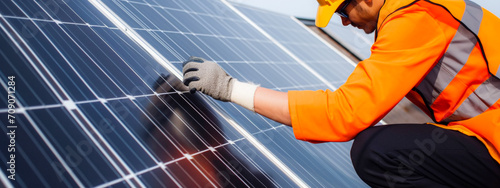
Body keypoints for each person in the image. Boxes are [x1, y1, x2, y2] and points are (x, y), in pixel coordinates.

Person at [182, 0, 500, 187]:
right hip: (488, 136)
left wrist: (231, 88)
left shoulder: (416, 16)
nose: (345, 23)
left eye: (342, 12)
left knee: (376, 150)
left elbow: (344, 114)